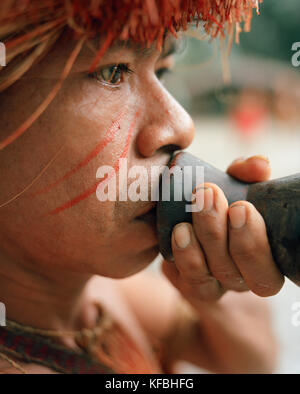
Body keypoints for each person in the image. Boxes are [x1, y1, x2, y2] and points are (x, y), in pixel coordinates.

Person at [0, 0, 284, 374]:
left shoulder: (106, 300)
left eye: (162, 71)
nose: (181, 125)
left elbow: (251, 358)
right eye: (113, 71)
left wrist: (217, 283)